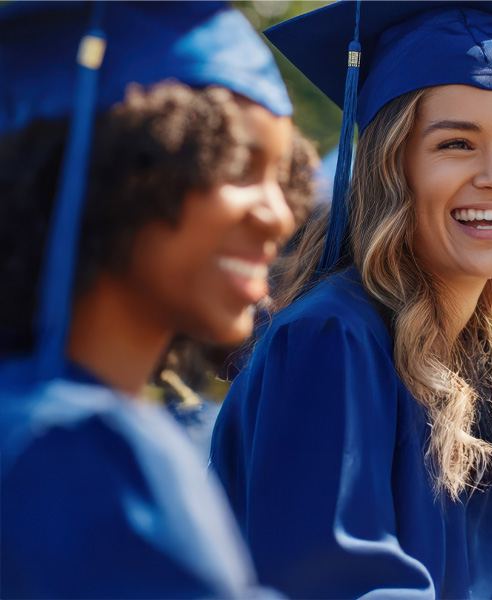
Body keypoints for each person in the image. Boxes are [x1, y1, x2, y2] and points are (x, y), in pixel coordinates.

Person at [209, 1, 492, 597]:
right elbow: (333, 580)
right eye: (456, 144)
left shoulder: (481, 361)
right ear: (391, 168)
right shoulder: (332, 338)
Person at [0, 2, 300, 597]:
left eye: (283, 177)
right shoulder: (83, 452)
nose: (280, 216)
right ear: (117, 169)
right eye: (238, 166)